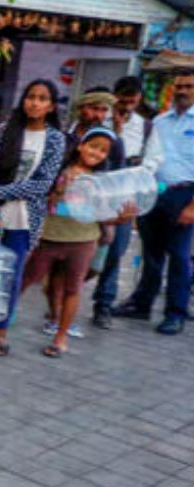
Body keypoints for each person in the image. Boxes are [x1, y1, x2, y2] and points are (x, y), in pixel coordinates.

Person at [0, 80, 68, 355]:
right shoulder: (3, 132)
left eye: (42, 98)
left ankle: (2, 330)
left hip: (25, 219)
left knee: (12, 277)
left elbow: (41, 185)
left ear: (51, 106)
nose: (35, 103)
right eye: (30, 96)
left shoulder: (55, 139)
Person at [20, 129, 122, 357]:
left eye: (103, 151)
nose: (97, 153)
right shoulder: (60, 171)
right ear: (80, 146)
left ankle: (61, 337)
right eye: (93, 146)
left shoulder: (102, 182)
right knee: (26, 278)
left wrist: (121, 217)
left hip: (83, 241)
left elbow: (106, 214)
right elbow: (43, 198)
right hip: (50, 237)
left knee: (72, 289)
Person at [113, 68, 194, 336]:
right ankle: (141, 304)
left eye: (189, 86)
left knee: (179, 257)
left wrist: (192, 207)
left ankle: (175, 313)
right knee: (150, 253)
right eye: (179, 86)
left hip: (184, 195)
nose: (183, 91)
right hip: (152, 192)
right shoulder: (159, 121)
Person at [91, 76, 164, 329]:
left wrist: (138, 172)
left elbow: (155, 159)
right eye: (122, 101)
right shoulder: (101, 120)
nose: (126, 107)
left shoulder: (146, 127)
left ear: (139, 99)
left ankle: (103, 304)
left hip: (124, 195)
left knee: (115, 251)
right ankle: (60, 302)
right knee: (80, 247)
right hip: (96, 191)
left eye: (132, 102)